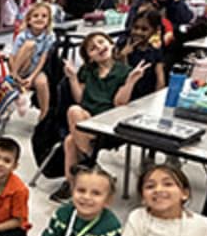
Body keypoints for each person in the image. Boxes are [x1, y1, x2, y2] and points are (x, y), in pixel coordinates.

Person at [51, 32, 142, 202]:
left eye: (101, 42)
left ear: (111, 43)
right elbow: (80, 98)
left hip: (110, 122)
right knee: (73, 117)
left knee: (71, 136)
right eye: (93, 48)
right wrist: (72, 77)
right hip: (86, 120)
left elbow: (119, 103)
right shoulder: (88, 70)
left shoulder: (124, 71)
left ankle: (83, 173)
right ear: (90, 58)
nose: (99, 47)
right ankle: (85, 171)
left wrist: (131, 81)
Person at [8, 2, 56, 117]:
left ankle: (44, 114)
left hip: (35, 70)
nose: (40, 19)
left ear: (48, 21)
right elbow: (12, 57)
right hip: (20, 68)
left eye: (44, 16)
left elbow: (43, 59)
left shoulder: (49, 36)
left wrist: (31, 77)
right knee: (30, 44)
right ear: (29, 20)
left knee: (42, 82)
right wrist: (16, 75)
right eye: (35, 16)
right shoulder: (22, 36)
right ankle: (15, 81)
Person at [115, 9, 167, 100]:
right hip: (125, 96)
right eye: (135, 27)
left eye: (144, 29)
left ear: (155, 30)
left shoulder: (155, 51)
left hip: (146, 97)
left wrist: (157, 98)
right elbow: (121, 77)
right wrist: (123, 57)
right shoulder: (122, 46)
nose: (138, 32)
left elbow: (160, 79)